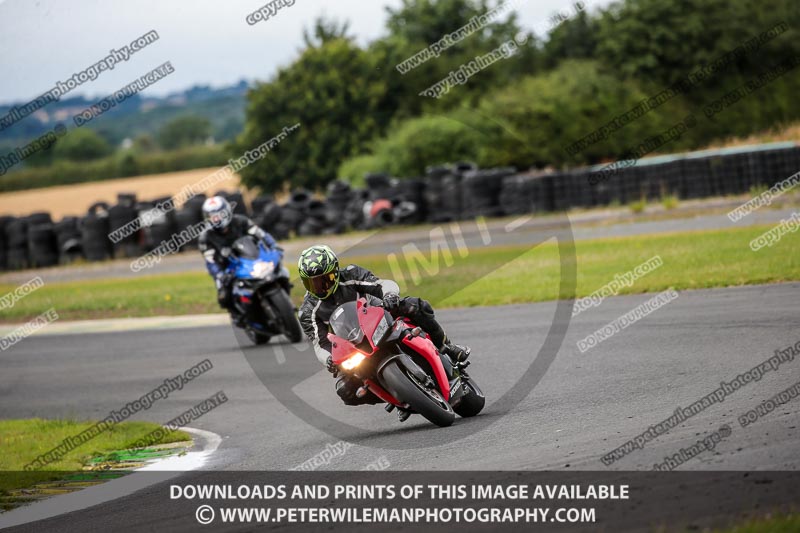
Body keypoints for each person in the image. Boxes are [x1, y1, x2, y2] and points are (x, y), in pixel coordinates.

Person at [297, 244, 470, 421]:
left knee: (416, 306)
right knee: (345, 390)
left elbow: (380, 284)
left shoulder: (350, 274)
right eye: (311, 282)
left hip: (377, 316)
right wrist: (329, 359)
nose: (319, 286)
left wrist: (389, 295)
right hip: (351, 347)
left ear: (335, 270)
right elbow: (320, 343)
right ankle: (396, 395)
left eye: (324, 278)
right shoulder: (307, 310)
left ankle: (446, 347)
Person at [198, 196, 278, 326]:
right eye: (212, 216)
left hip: (251, 257)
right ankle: (238, 315)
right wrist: (219, 274)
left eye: (219, 214)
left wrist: (273, 245)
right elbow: (210, 261)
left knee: (277, 268)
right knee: (223, 296)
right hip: (227, 267)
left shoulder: (241, 221)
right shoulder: (206, 237)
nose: (216, 218)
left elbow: (261, 234)